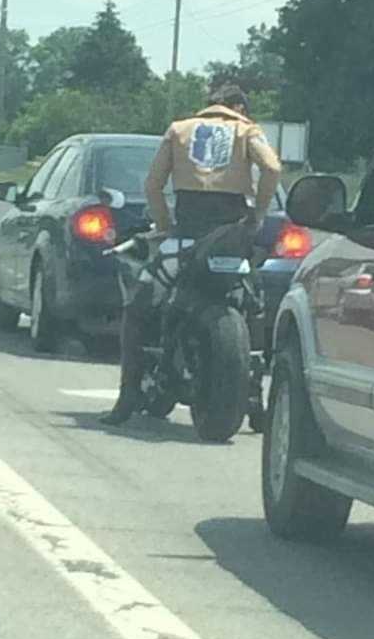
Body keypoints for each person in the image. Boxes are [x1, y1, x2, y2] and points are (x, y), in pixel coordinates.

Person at [100, 83, 282, 426]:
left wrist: (166, 225)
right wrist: (257, 214)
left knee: (138, 306)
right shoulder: (247, 130)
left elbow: (152, 185)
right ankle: (256, 396)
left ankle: (128, 395)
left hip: (185, 239)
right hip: (232, 237)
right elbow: (272, 168)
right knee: (253, 302)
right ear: (240, 108)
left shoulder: (179, 130)